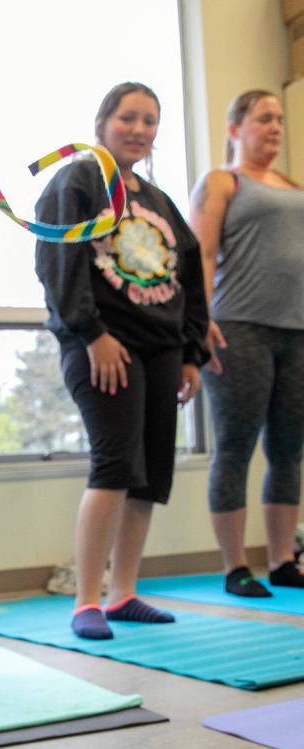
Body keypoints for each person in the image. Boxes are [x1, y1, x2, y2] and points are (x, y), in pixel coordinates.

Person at [35, 82, 209, 639]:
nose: (139, 130)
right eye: (128, 118)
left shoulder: (158, 202)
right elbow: (58, 256)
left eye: (150, 121)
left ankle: (124, 592)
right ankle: (86, 599)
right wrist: (90, 333)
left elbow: (189, 275)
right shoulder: (80, 180)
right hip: (105, 345)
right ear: (103, 123)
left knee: (149, 475)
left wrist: (190, 352)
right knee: (114, 464)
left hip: (162, 349)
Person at [189, 90, 304, 597]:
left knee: (288, 451)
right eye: (263, 118)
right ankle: (236, 566)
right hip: (237, 328)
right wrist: (200, 322)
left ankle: (282, 560)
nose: (275, 127)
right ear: (235, 129)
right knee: (235, 447)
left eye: (279, 119)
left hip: (296, 331)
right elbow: (202, 253)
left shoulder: (295, 187)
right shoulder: (223, 181)